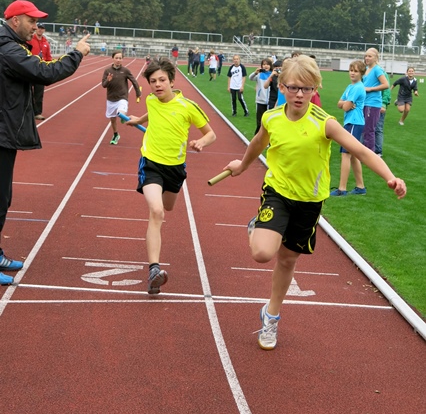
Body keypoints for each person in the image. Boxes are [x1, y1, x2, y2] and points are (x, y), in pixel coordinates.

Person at [223, 55, 406, 350]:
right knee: (262, 253)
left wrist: (390, 177)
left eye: (307, 88)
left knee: (287, 260)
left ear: (315, 89)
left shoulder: (325, 123)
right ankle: (257, 225)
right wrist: (242, 165)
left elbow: (362, 150)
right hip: (278, 192)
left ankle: (271, 315)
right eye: (294, 87)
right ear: (282, 86)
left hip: (309, 201)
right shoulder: (272, 118)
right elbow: (258, 142)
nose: (299, 94)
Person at [0, 0, 90, 285]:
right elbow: (46, 72)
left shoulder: (10, 46)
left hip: (5, 132)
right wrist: (76, 54)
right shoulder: (8, 49)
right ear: (15, 21)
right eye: (31, 21)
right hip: (1, 133)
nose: (35, 26)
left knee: (3, 198)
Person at [125, 58, 216, 295]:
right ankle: (153, 270)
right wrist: (138, 120)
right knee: (157, 212)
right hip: (151, 163)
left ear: (172, 81)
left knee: (168, 206)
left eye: (162, 80)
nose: (157, 85)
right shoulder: (151, 99)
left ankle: (154, 268)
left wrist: (201, 142)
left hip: (175, 168)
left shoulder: (188, 107)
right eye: (153, 81)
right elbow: (152, 111)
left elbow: (211, 134)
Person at [330, 60, 367, 196]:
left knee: (345, 154)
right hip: (351, 122)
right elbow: (339, 103)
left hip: (354, 122)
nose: (352, 73)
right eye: (351, 70)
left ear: (361, 73)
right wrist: (346, 103)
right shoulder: (350, 86)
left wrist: (345, 104)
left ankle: (342, 189)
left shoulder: (357, 87)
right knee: (353, 156)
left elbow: (344, 107)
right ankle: (360, 186)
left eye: (356, 71)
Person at [101, 50, 141, 145]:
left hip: (122, 97)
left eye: (120, 58)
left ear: (122, 59)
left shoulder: (125, 71)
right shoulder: (107, 71)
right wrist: (108, 80)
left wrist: (138, 92)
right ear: (113, 58)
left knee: (121, 112)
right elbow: (103, 85)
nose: (118, 60)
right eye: (116, 58)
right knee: (113, 119)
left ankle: (122, 116)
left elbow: (134, 81)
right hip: (111, 99)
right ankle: (116, 135)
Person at [362, 48, 389, 150]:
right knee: (364, 129)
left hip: (372, 103)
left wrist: (371, 89)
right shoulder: (365, 69)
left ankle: (370, 153)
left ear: (376, 58)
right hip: (365, 102)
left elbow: (386, 84)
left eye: (370, 56)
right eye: (366, 56)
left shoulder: (377, 69)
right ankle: (364, 151)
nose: (367, 58)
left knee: (369, 130)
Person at [31, 22, 53, 121]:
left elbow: (48, 57)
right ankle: (27, 110)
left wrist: (49, 67)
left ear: (44, 30)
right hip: (30, 68)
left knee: (39, 93)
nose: (40, 29)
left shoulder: (46, 43)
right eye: (39, 28)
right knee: (27, 91)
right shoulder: (30, 40)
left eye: (42, 28)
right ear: (36, 29)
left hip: (41, 70)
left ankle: (37, 112)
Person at [249, 58, 273, 134]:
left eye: (267, 64)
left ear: (270, 65)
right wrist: (255, 73)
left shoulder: (272, 75)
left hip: (270, 102)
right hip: (260, 101)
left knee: (269, 121)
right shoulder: (259, 75)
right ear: (261, 65)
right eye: (264, 64)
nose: (266, 66)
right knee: (259, 121)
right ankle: (257, 136)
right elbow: (250, 78)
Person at [375, 71, 391, 156]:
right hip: (366, 104)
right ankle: (364, 149)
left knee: (378, 128)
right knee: (365, 128)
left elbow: (386, 89)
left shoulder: (381, 72)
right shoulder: (364, 71)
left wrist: (384, 103)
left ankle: (378, 151)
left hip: (378, 104)